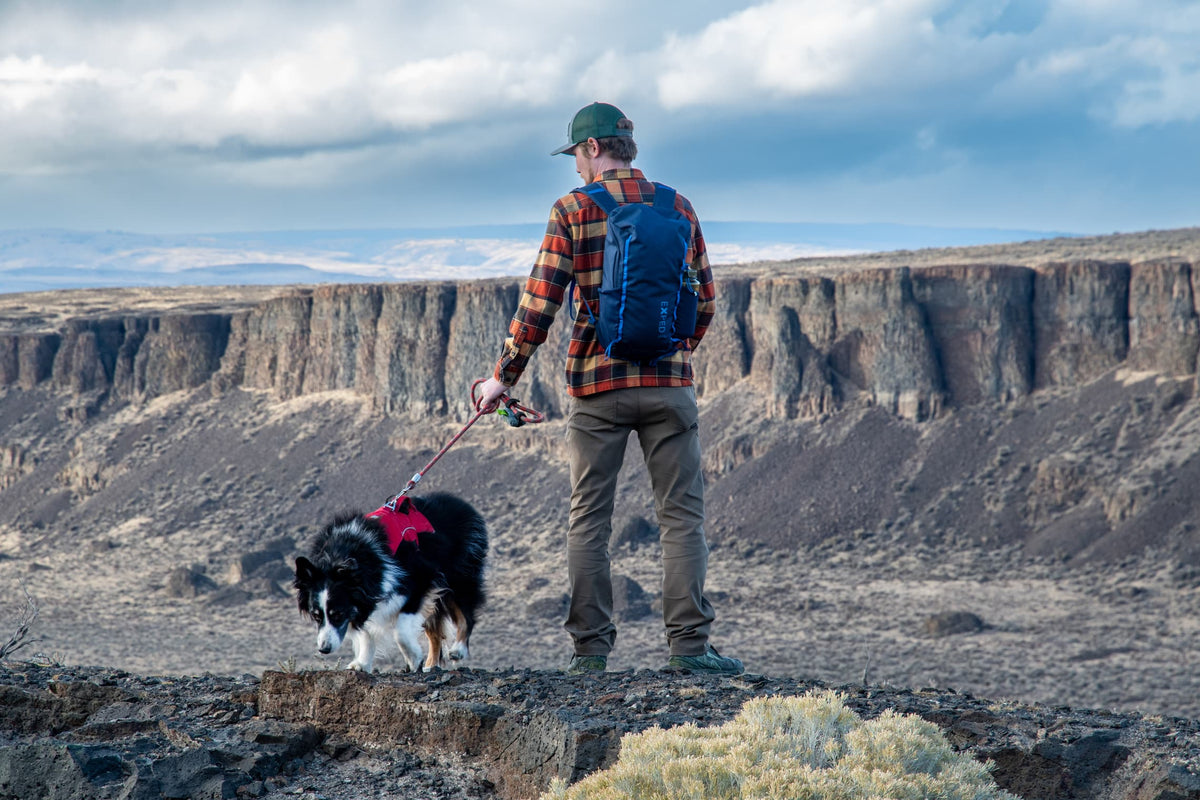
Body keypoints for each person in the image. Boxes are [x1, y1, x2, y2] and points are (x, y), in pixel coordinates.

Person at [475, 102, 742, 675]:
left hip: (597, 386)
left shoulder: (573, 208)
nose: (574, 165)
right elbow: (708, 302)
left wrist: (504, 377)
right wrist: (672, 352)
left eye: (575, 153)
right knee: (682, 518)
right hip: (670, 385)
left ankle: (590, 654)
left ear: (593, 148)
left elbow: (539, 303)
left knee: (589, 518)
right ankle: (690, 651)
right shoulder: (678, 206)